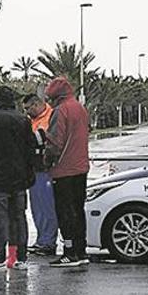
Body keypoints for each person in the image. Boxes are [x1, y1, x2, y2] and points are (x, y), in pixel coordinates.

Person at [0, 86, 37, 272]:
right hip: (19, 177)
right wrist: (29, 173)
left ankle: (0, 257)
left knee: (0, 217)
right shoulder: (23, 120)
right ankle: (21, 258)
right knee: (19, 217)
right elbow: (31, 148)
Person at [44, 77, 91, 267]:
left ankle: (69, 252)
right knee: (78, 210)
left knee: (64, 212)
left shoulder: (60, 111)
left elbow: (55, 141)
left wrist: (47, 160)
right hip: (81, 168)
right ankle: (81, 251)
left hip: (63, 170)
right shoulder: (80, 108)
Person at [22, 93, 58, 256]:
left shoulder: (50, 117)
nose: (27, 112)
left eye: (28, 108)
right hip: (34, 170)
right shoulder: (33, 120)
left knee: (46, 207)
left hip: (45, 170)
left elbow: (42, 139)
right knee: (37, 208)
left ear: (37, 104)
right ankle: (42, 240)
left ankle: (47, 242)